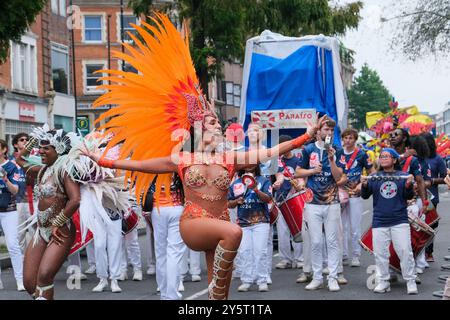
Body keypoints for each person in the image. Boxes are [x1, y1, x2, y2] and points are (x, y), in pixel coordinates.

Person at [81, 12, 321, 300]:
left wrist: (306, 137)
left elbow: (270, 151)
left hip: (217, 227)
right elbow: (138, 163)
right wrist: (101, 159)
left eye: (217, 122)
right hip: (193, 225)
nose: (217, 125)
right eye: (211, 122)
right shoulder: (181, 159)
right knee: (234, 233)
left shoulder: (230, 158)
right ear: (196, 129)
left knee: (221, 295)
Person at [14, 127, 81, 299]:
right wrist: (32, 141)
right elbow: (20, 159)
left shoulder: (64, 170)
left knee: (44, 276)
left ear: (57, 149)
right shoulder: (42, 170)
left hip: (61, 231)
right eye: (40, 147)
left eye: (46, 148)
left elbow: (75, 199)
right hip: (41, 231)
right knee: (29, 282)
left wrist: (57, 223)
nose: (41, 151)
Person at [295, 117, 346, 292]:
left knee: (332, 242)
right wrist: (312, 171)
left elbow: (339, 177)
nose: (329, 133)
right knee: (315, 242)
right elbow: (298, 172)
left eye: (332, 131)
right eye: (326, 130)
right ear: (318, 131)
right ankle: (317, 277)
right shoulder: (308, 149)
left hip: (332, 201)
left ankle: (332, 278)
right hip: (312, 202)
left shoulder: (337, 150)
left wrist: (331, 159)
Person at [361, 148, 418, 295]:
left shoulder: (403, 176)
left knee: (405, 251)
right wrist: (364, 185)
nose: (383, 158)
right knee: (380, 253)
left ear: (394, 160)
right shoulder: (374, 177)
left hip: (399, 219)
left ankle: (410, 280)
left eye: (387, 156)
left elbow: (408, 195)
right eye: (381, 156)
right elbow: (365, 196)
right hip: (379, 220)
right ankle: (383, 281)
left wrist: (408, 185)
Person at [229, 165, 272, 292]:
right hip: (243, 223)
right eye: (246, 163)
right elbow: (228, 203)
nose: (249, 166)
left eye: (252, 162)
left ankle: (262, 280)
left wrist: (256, 190)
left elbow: (268, 198)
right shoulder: (236, 183)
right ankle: (246, 280)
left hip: (261, 221)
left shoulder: (263, 181)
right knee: (244, 252)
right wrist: (236, 201)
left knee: (260, 252)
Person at [339, 128, 375, 267]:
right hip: (340, 193)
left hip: (355, 193)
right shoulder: (337, 153)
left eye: (350, 138)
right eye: (345, 138)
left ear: (355, 139)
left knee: (355, 225)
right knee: (342, 226)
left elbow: (372, 172)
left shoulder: (362, 154)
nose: (347, 141)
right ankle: (343, 253)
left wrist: (362, 183)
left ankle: (355, 255)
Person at [151, 173, 187, 300]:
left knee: (161, 253)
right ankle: (172, 294)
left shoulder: (153, 164)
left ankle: (164, 293)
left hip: (158, 210)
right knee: (174, 253)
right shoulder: (177, 164)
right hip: (176, 208)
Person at [272, 135, 304, 269]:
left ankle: (300, 258)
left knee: (297, 228)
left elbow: (302, 179)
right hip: (280, 200)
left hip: (295, 199)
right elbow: (276, 177)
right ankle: (285, 259)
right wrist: (278, 183)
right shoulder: (276, 162)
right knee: (283, 231)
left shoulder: (298, 161)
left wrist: (299, 185)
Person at [0, 139, 25, 291]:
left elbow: (16, 190)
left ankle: (20, 280)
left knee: (13, 245)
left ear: (3, 149)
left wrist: (5, 180)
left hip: (9, 210)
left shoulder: (12, 166)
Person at [421, 133, 447, 263]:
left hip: (431, 199)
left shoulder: (437, 159)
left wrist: (431, 181)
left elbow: (445, 178)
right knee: (417, 227)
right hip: (415, 199)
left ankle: (429, 252)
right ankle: (417, 254)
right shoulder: (415, 158)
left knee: (430, 226)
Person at [11, 133, 35, 251]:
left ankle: (33, 263)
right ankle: (21, 264)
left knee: (33, 234)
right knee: (18, 235)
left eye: (27, 140)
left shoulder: (34, 159)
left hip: (32, 201)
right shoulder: (10, 160)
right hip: (16, 203)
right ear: (15, 144)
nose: (25, 141)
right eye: (22, 140)